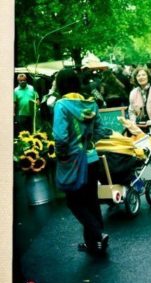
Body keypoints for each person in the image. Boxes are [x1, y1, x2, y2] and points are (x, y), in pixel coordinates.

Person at [53, 68, 112, 255]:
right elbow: (101, 130)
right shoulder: (91, 104)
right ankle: (94, 244)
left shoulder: (61, 105)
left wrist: (61, 155)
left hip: (73, 161)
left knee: (74, 202)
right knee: (91, 201)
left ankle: (97, 233)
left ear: (61, 84)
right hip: (92, 158)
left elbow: (61, 138)